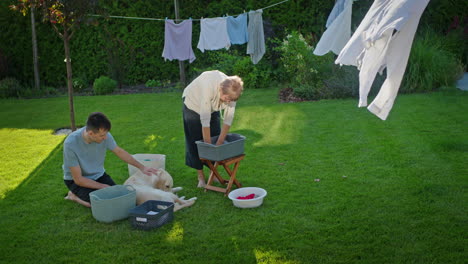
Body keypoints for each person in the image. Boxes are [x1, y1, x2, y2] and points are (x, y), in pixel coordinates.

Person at [63, 112, 158, 208]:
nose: (105, 138)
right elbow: (78, 179)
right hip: (76, 181)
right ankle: (73, 196)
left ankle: (89, 193)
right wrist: (103, 186)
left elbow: (119, 152)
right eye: (102, 135)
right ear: (91, 133)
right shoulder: (71, 144)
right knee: (100, 204)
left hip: (98, 175)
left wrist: (142, 167)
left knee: (120, 197)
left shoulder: (105, 135)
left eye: (106, 134)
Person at [182, 70, 244, 187]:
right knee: (195, 141)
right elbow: (205, 121)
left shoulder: (232, 90)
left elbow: (228, 119)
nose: (229, 102)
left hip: (212, 107)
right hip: (193, 104)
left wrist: (219, 143)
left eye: (231, 100)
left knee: (215, 134)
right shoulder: (208, 86)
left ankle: (213, 173)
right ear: (220, 90)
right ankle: (200, 176)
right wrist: (208, 148)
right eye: (227, 99)